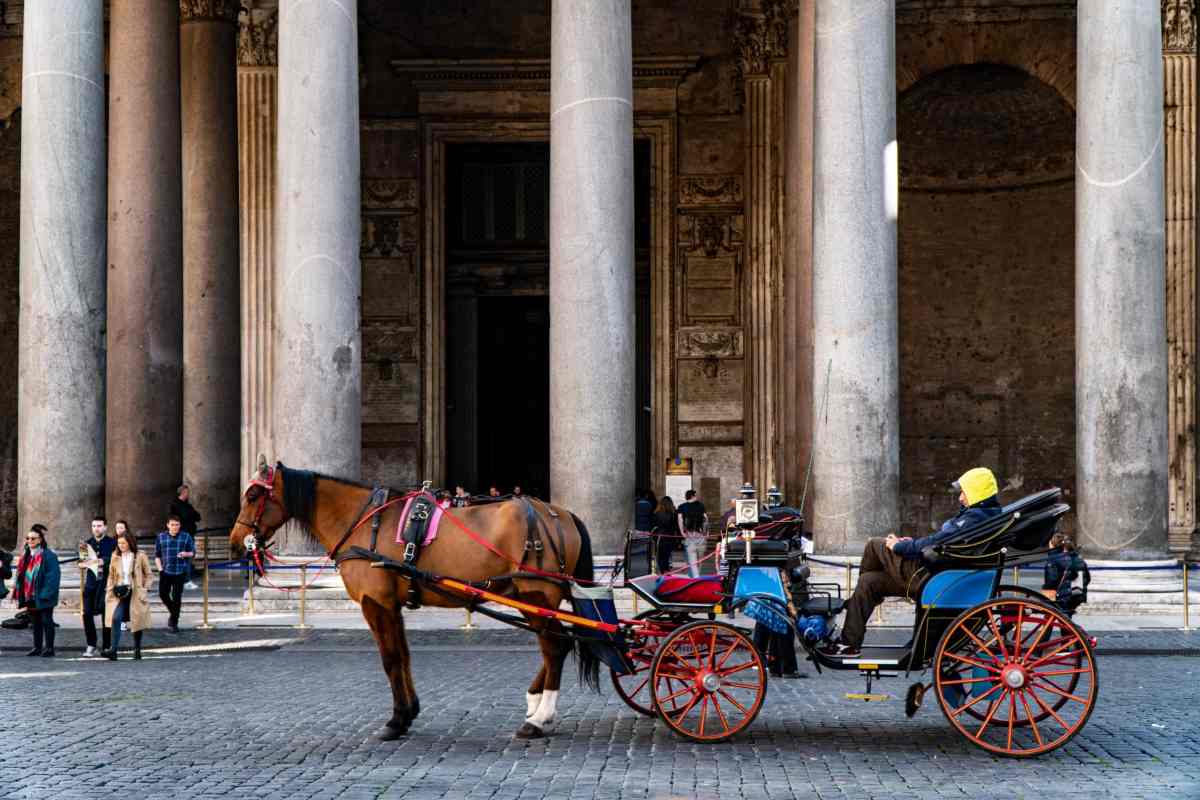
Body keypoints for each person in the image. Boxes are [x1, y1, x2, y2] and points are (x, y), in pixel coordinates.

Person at [822, 467, 1004, 657]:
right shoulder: (983, 516)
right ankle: (849, 643)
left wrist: (900, 547)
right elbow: (941, 542)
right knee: (868, 581)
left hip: (930, 577)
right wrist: (913, 544)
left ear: (976, 493)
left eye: (964, 493)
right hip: (936, 573)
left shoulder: (973, 519)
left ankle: (855, 605)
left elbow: (936, 542)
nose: (960, 498)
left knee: (875, 545)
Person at [101, 529, 152, 661]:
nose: (121, 546)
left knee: (136, 621)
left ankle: (137, 649)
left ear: (130, 542)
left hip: (135, 593)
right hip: (119, 592)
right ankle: (113, 650)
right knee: (115, 618)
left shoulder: (140, 555)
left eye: (123, 543)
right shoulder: (115, 556)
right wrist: (109, 590)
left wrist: (145, 589)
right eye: (119, 543)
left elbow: (149, 574)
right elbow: (111, 575)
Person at [12, 524, 60, 657]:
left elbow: (53, 577)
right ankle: (37, 647)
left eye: (33, 538)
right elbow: (21, 575)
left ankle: (49, 648)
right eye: (27, 538)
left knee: (47, 621)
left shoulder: (48, 555)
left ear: (40, 540)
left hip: (43, 595)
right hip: (30, 595)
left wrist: (46, 594)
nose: (29, 541)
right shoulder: (26, 555)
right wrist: (19, 592)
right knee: (35, 623)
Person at [79, 515, 116, 657]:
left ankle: (107, 646)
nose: (96, 528)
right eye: (94, 526)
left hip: (106, 584)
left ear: (105, 527)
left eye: (99, 526)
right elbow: (82, 562)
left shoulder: (112, 543)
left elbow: (115, 560)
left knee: (106, 616)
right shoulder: (85, 544)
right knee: (87, 614)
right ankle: (91, 644)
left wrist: (104, 561)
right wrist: (82, 563)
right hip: (90, 584)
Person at [154, 514, 195, 633]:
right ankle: (174, 612)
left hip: (180, 571)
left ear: (180, 525)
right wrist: (160, 569)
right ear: (168, 525)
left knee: (177, 597)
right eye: (172, 525)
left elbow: (192, 552)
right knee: (163, 594)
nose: (175, 527)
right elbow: (157, 555)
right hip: (165, 571)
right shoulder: (161, 537)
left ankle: (174, 622)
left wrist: (185, 554)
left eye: (177, 525)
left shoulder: (186, 536)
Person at [1042, 533, 1090, 615]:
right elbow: (1088, 579)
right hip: (1077, 594)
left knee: (1053, 616)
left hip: (1061, 596)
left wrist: (1045, 588)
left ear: (1053, 545)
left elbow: (1052, 580)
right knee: (1066, 617)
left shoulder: (1053, 559)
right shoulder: (1079, 559)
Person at [170, 484, 202, 590]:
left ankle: (184, 579)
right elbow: (185, 516)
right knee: (185, 558)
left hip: (189, 534)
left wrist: (191, 514)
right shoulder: (175, 505)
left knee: (189, 556)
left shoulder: (187, 505)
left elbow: (198, 517)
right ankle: (185, 580)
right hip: (182, 535)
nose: (188, 494)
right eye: (187, 492)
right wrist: (190, 514)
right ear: (183, 492)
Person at [676, 489, 708, 578]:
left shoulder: (681, 507)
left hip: (689, 536)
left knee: (692, 561)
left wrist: (682, 532)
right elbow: (706, 520)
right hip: (701, 536)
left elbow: (680, 520)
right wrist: (706, 533)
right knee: (700, 560)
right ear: (693, 496)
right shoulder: (701, 506)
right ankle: (696, 577)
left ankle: (694, 577)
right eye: (696, 495)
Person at [651, 495, 678, 574]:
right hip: (669, 538)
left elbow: (653, 525)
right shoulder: (673, 514)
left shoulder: (656, 513)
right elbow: (674, 526)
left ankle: (662, 572)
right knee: (666, 556)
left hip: (659, 538)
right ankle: (666, 572)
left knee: (659, 557)